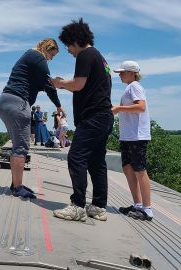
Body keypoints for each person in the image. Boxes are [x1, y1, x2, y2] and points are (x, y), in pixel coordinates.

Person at [51, 18, 113, 221]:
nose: (68, 50)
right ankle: (98, 207)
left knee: (76, 157)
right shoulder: (101, 59)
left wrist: (60, 83)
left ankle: (78, 205)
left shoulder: (86, 54)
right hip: (104, 116)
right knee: (96, 161)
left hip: (93, 117)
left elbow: (78, 85)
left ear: (76, 40)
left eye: (68, 45)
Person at [0, 38, 65, 199]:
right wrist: (59, 106)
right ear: (47, 48)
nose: (51, 58)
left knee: (18, 146)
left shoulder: (29, 57)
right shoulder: (38, 57)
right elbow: (48, 85)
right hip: (18, 102)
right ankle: (17, 188)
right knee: (21, 147)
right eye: (52, 54)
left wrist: (61, 85)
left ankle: (16, 183)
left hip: (6, 101)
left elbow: (42, 84)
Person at [111, 61, 153, 221]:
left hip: (137, 136)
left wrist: (118, 108)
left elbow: (140, 106)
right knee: (128, 168)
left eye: (122, 72)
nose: (120, 75)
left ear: (131, 72)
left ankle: (147, 209)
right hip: (128, 136)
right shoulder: (130, 88)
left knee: (139, 170)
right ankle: (137, 204)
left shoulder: (135, 86)